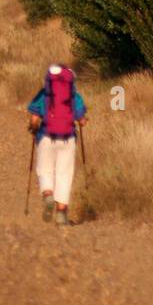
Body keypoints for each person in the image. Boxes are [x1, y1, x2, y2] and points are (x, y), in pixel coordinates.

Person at [27, 65, 87, 226]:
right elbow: (81, 119)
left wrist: (33, 128)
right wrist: (82, 121)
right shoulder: (75, 96)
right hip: (68, 140)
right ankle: (61, 214)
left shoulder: (43, 94)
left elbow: (34, 119)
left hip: (46, 137)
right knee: (64, 175)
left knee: (45, 170)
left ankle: (48, 195)